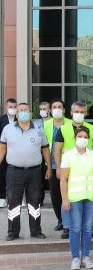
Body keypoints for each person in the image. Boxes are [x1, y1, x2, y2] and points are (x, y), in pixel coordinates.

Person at [0, 102, 50, 240]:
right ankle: (13, 232)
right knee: (13, 203)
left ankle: (36, 231)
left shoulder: (39, 129)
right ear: (16, 114)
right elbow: (2, 149)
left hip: (34, 172)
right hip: (14, 172)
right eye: (20, 110)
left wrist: (49, 167)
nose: (23, 113)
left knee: (34, 202)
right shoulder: (8, 129)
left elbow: (45, 149)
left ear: (31, 114)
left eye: (26, 110)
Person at [53, 101, 93, 239]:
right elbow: (57, 150)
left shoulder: (91, 128)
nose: (79, 114)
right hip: (68, 167)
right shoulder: (63, 129)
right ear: (71, 113)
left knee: (86, 197)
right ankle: (67, 226)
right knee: (66, 196)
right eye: (76, 112)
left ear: (85, 113)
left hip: (87, 168)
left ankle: (87, 226)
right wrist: (58, 168)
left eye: (81, 112)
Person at [60, 127, 93, 270]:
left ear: (88, 139)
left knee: (87, 228)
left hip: (91, 197)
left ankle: (86, 257)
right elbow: (63, 179)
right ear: (75, 138)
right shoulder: (68, 155)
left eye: (85, 137)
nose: (83, 139)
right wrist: (64, 198)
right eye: (80, 136)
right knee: (75, 228)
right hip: (75, 198)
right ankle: (75, 258)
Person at [44, 99, 69, 237]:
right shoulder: (46, 124)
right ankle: (61, 220)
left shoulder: (70, 123)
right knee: (55, 194)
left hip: (68, 165)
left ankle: (69, 220)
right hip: (52, 164)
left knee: (68, 193)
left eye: (59, 107)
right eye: (54, 107)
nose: (57, 109)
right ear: (50, 110)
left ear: (64, 110)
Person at [0, 98, 18, 208]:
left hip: (16, 153)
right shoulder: (1, 120)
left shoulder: (19, 120)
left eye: (15, 107)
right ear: (6, 107)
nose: (13, 109)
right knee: (2, 174)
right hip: (3, 151)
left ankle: (15, 198)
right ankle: (2, 197)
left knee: (15, 176)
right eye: (11, 107)